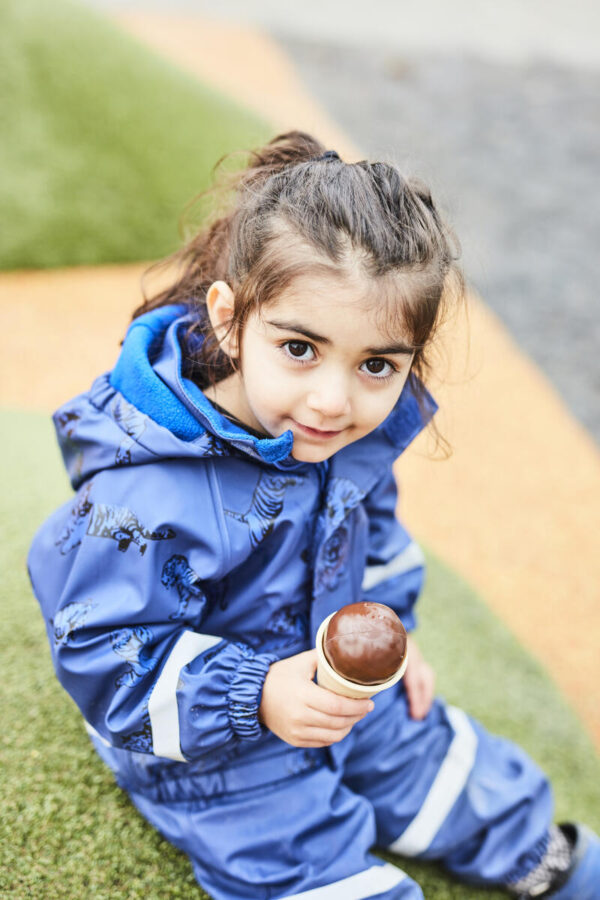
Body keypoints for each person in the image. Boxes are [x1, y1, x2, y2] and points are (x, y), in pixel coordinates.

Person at [28, 131, 599, 900]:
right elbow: (102, 648)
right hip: (214, 746)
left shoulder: (348, 443)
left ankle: (548, 862)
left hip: (337, 691)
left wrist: (393, 634)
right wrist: (257, 694)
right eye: (300, 348)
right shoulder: (145, 495)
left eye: (376, 365)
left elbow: (376, 537)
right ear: (229, 320)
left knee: (442, 766)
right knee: (305, 859)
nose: (335, 400)